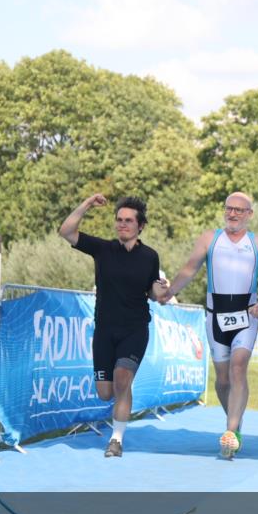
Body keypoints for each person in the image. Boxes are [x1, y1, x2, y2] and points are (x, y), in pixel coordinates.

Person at [156, 192, 258, 459]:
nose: (232, 214)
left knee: (238, 367)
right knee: (222, 380)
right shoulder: (210, 238)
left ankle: (231, 432)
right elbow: (190, 269)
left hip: (246, 315)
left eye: (239, 210)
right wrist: (170, 291)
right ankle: (235, 420)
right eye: (228, 208)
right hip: (216, 315)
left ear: (249, 214)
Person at [59, 193, 161, 458]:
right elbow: (66, 231)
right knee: (105, 393)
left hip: (135, 329)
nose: (122, 224)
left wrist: (160, 291)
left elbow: (152, 292)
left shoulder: (150, 256)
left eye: (128, 220)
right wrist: (86, 204)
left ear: (140, 226)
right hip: (104, 330)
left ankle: (116, 440)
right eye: (119, 220)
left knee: (122, 378)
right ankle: (121, 403)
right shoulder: (102, 249)